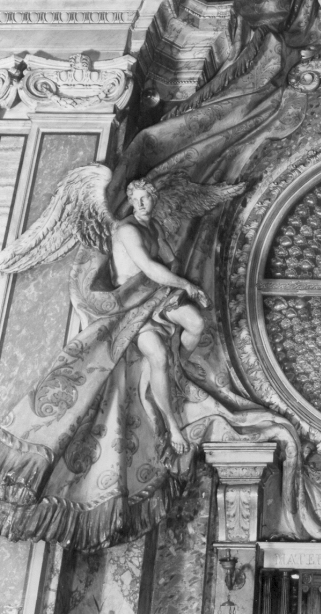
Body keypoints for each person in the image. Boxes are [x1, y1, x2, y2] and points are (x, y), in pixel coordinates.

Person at [112, 179, 210, 454]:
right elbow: (149, 267)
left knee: (196, 323)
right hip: (132, 304)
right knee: (159, 356)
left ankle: (178, 368)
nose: (140, 204)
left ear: (154, 199)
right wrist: (186, 285)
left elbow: (169, 261)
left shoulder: (153, 226)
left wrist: (187, 285)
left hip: (156, 295)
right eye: (135, 199)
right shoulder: (127, 230)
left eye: (145, 198)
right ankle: (171, 424)